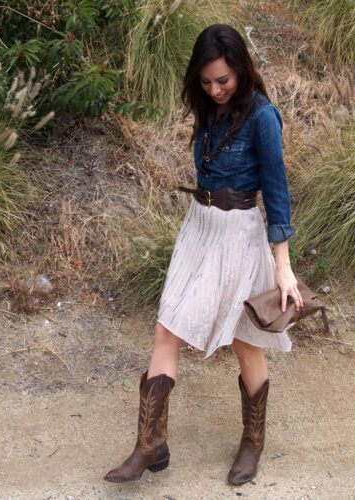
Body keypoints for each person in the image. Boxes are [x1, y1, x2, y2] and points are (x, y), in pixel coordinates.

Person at [104, 23, 303, 486]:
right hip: (199, 228)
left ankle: (252, 442)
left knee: (246, 342)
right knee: (166, 325)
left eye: (223, 81)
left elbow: (276, 192)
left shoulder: (262, 116)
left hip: (239, 235)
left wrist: (283, 265)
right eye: (206, 81)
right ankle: (151, 441)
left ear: (241, 71)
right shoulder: (209, 110)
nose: (214, 90)